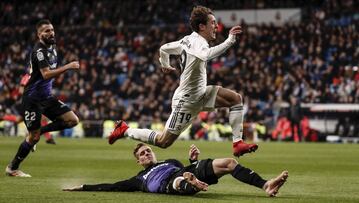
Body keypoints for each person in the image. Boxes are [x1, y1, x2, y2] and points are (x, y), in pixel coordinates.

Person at [108, 6, 258, 157]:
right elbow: (206, 55)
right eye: (213, 23)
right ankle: (125, 130)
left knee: (235, 99)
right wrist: (229, 41)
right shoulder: (198, 43)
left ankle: (238, 143)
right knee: (163, 141)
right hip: (186, 102)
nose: (217, 26)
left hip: (200, 93)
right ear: (202, 26)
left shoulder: (187, 40)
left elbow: (164, 49)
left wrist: (165, 64)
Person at [63, 143, 288, 196]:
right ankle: (188, 181)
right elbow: (112, 187)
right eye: (141, 154)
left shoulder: (169, 160)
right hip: (169, 184)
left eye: (148, 151)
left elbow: (183, 166)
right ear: (138, 162)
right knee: (177, 181)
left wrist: (191, 160)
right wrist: (83, 187)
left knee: (229, 162)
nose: (146, 154)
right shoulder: (138, 178)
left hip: (184, 171)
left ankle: (265, 184)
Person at [5, 19, 80, 177]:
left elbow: (38, 72)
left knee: (72, 120)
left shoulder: (52, 47)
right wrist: (68, 67)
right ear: (39, 34)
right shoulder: (39, 51)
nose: (51, 33)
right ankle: (12, 168)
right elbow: (46, 74)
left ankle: (38, 132)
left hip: (46, 97)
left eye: (52, 29)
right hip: (33, 99)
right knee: (33, 138)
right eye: (46, 31)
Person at [1, 74, 56, 144]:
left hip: (36, 101)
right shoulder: (27, 76)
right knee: (41, 118)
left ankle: (3, 117)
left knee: (19, 119)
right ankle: (48, 138)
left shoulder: (39, 76)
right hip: (28, 102)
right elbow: (21, 91)